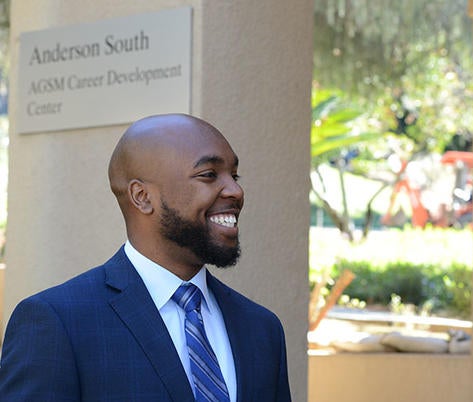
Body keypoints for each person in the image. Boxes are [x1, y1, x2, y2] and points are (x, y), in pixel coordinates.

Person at [0, 114, 292, 401]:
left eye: (235, 175)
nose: (236, 190)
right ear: (141, 196)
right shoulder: (56, 323)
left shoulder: (262, 329)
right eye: (209, 175)